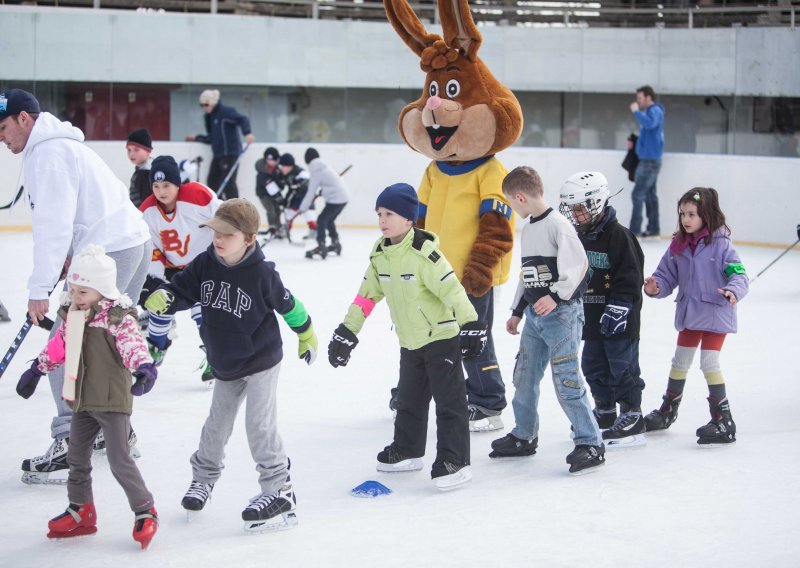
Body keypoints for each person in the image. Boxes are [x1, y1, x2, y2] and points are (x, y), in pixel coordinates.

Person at [0, 89, 152, 484]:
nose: (1, 138)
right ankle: (111, 429)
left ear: (23, 119)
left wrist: (40, 287)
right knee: (107, 340)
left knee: (64, 344)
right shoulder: (61, 147)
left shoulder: (48, 156)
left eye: (3, 128)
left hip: (109, 253)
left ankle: (70, 439)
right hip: (133, 243)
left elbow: (53, 227)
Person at [144, 198, 318, 532]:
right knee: (216, 426)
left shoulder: (262, 273)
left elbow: (288, 303)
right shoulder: (205, 262)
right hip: (225, 360)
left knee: (259, 426)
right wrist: (166, 297)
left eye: (228, 234)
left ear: (249, 238)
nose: (219, 240)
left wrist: (305, 332)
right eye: (216, 233)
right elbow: (181, 291)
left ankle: (279, 489)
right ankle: (203, 479)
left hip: (261, 359)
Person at [327, 183, 487, 491]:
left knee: (449, 402)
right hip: (410, 341)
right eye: (379, 213)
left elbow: (452, 290)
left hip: (441, 337)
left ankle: (455, 459)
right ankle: (407, 449)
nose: (382, 220)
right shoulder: (381, 255)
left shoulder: (424, 255)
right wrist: (347, 331)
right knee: (409, 400)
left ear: (409, 218)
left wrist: (471, 323)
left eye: (389, 213)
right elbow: (365, 297)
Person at [15, 245, 158, 549]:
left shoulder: (117, 317)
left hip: (111, 401)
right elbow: (59, 347)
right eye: (73, 290)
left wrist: (144, 368)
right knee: (77, 457)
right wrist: (37, 371)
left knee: (120, 459)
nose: (76, 297)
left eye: (83, 292)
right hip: (82, 400)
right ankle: (81, 510)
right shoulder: (73, 315)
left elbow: (133, 345)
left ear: (102, 290)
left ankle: (145, 509)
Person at [489, 166, 605, 475]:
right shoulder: (529, 229)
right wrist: (516, 311)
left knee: (566, 378)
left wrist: (554, 296)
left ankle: (590, 441)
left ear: (521, 197)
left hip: (562, 317)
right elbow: (528, 276)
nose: (514, 208)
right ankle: (523, 435)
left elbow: (579, 268)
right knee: (524, 376)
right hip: (534, 319)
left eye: (512, 203)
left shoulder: (558, 225)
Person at [643, 187, 748, 446]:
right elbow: (666, 275)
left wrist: (733, 291)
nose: (686, 220)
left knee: (709, 363)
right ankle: (668, 410)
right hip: (690, 313)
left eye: (692, 214)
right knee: (679, 362)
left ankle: (723, 419)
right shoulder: (678, 244)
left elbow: (739, 275)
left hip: (715, 311)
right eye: (682, 214)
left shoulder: (722, 245)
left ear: (706, 215)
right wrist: (655, 287)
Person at [559, 172, 646, 450]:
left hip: (619, 321)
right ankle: (605, 410)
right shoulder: (579, 238)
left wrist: (619, 306)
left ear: (597, 203)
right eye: (572, 209)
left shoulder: (620, 237)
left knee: (622, 367)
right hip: (592, 319)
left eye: (580, 208)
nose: (575, 214)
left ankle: (632, 414)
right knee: (593, 366)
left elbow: (631, 277)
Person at [138, 155, 221, 383]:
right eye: (156, 186)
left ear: (177, 184)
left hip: (206, 266)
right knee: (159, 308)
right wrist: (154, 278)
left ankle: (214, 355)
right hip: (175, 271)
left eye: (166, 185)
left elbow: (226, 217)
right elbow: (152, 247)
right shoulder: (147, 211)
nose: (161, 191)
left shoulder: (198, 195)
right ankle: (157, 347)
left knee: (202, 312)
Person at [185, 89, 255, 200]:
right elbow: (211, 138)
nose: (204, 107)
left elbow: (243, 119)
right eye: (202, 105)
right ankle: (219, 208)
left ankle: (236, 210)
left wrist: (247, 133)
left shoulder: (225, 112)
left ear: (213, 103)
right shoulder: (209, 117)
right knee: (212, 182)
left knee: (228, 183)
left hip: (230, 153)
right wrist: (197, 138)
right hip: (218, 155)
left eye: (206, 104)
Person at [628, 85, 665, 238]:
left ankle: (635, 230)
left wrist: (636, 111)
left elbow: (650, 124)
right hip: (649, 159)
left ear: (648, 97)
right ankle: (653, 228)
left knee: (638, 194)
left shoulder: (654, 111)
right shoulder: (652, 112)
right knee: (650, 194)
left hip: (649, 161)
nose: (637, 102)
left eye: (640, 99)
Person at [300, 147, 349, 260]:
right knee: (329, 220)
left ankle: (321, 245)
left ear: (307, 160)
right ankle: (335, 242)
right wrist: (323, 191)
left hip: (336, 199)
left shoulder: (316, 171)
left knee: (321, 220)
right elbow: (330, 184)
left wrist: (303, 207)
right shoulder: (325, 166)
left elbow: (310, 192)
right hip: (343, 198)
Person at [278, 153, 317, 240]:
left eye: (285, 166)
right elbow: (290, 189)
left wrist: (303, 184)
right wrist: (285, 201)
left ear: (290, 166)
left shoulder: (300, 172)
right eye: (281, 166)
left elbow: (309, 181)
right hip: (295, 199)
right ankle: (286, 230)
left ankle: (314, 230)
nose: (282, 168)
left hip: (306, 198)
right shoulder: (285, 174)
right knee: (289, 214)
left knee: (309, 214)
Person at [254, 146, 286, 238]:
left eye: (274, 160)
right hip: (263, 195)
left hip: (274, 195)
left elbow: (280, 182)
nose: (271, 162)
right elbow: (265, 184)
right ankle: (273, 227)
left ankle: (278, 226)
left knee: (278, 209)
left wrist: (281, 184)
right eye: (269, 160)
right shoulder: (262, 171)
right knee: (271, 210)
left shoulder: (277, 170)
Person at [126, 128, 154, 208]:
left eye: (136, 150)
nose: (131, 154)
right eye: (129, 150)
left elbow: (146, 203)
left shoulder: (146, 174)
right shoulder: (141, 171)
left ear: (148, 151)